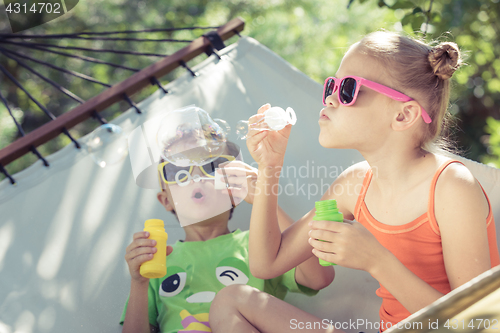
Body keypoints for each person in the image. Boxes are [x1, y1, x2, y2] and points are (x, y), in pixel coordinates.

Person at [209, 31, 500, 333]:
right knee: (232, 300)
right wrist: (269, 166)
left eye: (348, 88)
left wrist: (378, 262)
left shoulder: (451, 186)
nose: (331, 97)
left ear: (403, 115)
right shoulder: (354, 184)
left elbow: (476, 324)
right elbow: (267, 264)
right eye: (331, 85)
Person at [120, 137, 335, 333]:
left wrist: (264, 196)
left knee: (232, 298)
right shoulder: (157, 261)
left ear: (233, 191)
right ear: (166, 200)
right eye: (178, 171)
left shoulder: (259, 244)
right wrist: (139, 283)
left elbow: (318, 278)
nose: (196, 177)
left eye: (211, 167)